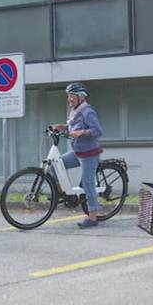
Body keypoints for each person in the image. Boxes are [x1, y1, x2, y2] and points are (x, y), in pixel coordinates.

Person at [49, 82, 104, 228]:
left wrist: (82, 133)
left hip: (89, 154)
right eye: (68, 96)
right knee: (55, 164)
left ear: (80, 96)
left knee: (88, 184)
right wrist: (62, 126)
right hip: (77, 152)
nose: (69, 99)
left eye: (72, 96)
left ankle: (93, 217)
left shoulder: (87, 111)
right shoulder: (75, 110)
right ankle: (61, 193)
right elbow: (74, 125)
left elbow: (97, 131)